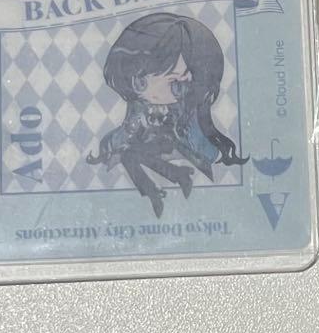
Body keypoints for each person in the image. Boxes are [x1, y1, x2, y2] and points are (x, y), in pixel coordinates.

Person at [87, 12, 246, 217]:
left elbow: (202, 153)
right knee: (128, 154)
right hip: (147, 160)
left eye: (176, 80)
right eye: (138, 80)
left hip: (185, 171)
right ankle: (170, 181)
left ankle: (173, 180)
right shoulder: (137, 111)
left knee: (131, 154)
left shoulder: (190, 125)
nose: (141, 86)